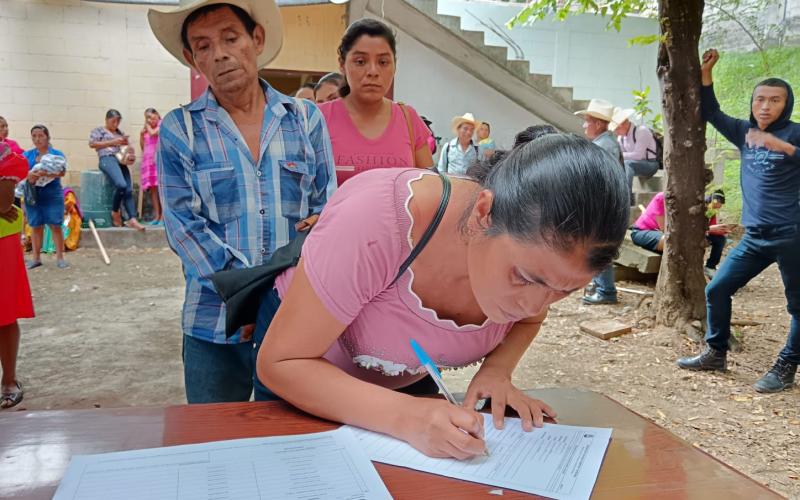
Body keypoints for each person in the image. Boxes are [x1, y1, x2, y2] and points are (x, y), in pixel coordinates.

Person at [253, 133, 629, 459]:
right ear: (484, 212)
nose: (534, 304)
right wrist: (406, 417)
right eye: (525, 278)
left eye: (565, 291)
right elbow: (283, 363)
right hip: (306, 379)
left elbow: (530, 319)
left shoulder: (535, 281)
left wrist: (497, 371)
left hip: (404, 392)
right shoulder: (379, 219)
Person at [147, 0, 336, 403]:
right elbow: (183, 227)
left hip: (292, 326)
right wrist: (248, 295)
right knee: (213, 445)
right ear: (191, 58)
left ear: (257, 38)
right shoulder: (181, 129)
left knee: (287, 444)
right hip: (212, 324)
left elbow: (328, 214)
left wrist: (274, 296)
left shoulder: (304, 119)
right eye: (203, 46)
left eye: (231, 38)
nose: (220, 54)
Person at [677, 49, 800, 394]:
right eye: (760, 99)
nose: (765, 106)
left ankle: (787, 365)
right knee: (717, 288)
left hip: (791, 234)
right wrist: (706, 73)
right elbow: (712, 111)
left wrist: (785, 148)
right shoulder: (744, 131)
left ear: (785, 106)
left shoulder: (795, 134)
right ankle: (715, 352)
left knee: (798, 306)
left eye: (775, 100)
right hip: (755, 237)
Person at [320, 19, 433, 185]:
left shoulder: (408, 118)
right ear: (342, 64)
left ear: (395, 66)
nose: (373, 71)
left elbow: (430, 188)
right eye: (360, 62)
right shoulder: (317, 118)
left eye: (383, 62)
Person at [575, 99, 623, 305]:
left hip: (603, 206)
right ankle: (600, 285)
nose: (584, 125)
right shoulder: (604, 144)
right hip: (603, 204)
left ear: (598, 124)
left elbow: (603, 180)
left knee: (597, 246)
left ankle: (606, 291)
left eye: (587, 121)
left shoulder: (605, 147)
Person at [0, 143, 33, 409]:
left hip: (2, 238)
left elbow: (3, 202)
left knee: (4, 313)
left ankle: (9, 380)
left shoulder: (4, 154)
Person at [89, 109, 145, 230]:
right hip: (107, 159)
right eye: (113, 121)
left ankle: (132, 219)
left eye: (118, 121)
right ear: (107, 120)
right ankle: (115, 211)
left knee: (128, 189)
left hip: (121, 160)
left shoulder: (120, 133)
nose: (115, 124)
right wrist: (113, 142)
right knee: (121, 184)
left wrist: (130, 155)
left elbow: (127, 149)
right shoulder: (99, 131)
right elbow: (92, 144)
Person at [23, 125, 68, 270]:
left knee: (55, 225)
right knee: (36, 225)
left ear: (47, 137)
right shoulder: (27, 155)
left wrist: (47, 174)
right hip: (33, 194)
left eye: (41, 135)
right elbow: (21, 173)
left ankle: (60, 257)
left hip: (52, 194)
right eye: (34, 136)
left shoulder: (56, 154)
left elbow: (62, 172)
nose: (37, 139)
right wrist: (30, 176)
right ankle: (36, 258)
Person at [611, 108, 660, 205]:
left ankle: (627, 199)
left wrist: (619, 155)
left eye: (617, 128)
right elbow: (621, 157)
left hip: (651, 165)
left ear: (624, 124)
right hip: (633, 165)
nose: (615, 132)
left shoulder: (641, 131)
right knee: (620, 164)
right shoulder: (621, 138)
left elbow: (638, 155)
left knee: (627, 163)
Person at [139, 108, 163, 225]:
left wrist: (147, 126)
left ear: (157, 115)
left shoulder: (162, 124)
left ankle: (164, 217)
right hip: (149, 163)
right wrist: (141, 135)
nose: (150, 120)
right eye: (147, 118)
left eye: (152, 117)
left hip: (160, 161)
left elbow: (154, 134)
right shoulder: (147, 130)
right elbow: (144, 147)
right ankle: (157, 216)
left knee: (162, 190)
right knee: (154, 190)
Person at [703, 190, 733, 279]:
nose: (719, 207)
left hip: (704, 232)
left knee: (721, 239)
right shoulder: (700, 206)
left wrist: (723, 230)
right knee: (720, 240)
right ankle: (710, 267)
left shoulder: (712, 210)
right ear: (716, 201)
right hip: (693, 233)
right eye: (720, 204)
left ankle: (710, 266)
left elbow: (712, 226)